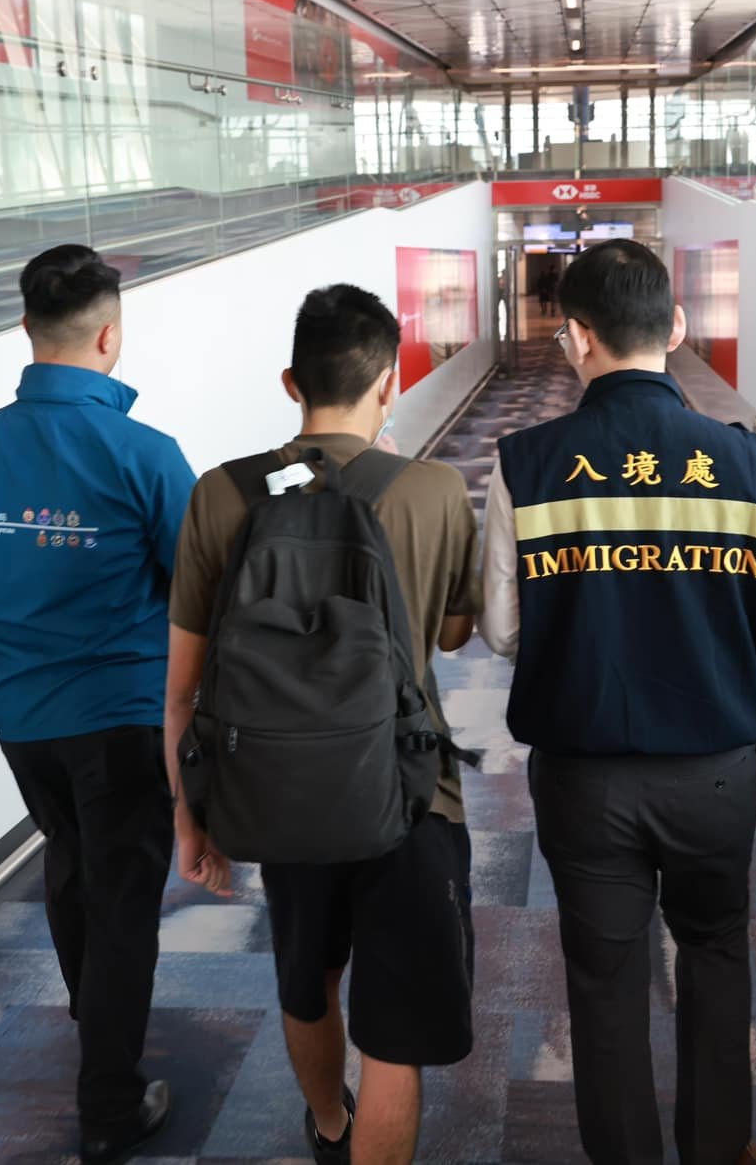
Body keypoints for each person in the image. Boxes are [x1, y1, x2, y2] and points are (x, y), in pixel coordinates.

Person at [480, 239, 756, 1165]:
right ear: (675, 327)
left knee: (605, 978)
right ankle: (714, 1150)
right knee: (716, 952)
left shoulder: (528, 462)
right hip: (713, 771)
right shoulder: (745, 464)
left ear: (572, 336)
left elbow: (505, 632)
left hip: (584, 775)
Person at [163, 284, 482, 1165]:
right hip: (411, 793)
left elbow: (183, 691)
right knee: (395, 1036)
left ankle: (330, 1128)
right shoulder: (435, 489)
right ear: (391, 380)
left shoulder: (221, 495)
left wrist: (193, 818)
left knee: (309, 983)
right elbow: (456, 632)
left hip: (274, 790)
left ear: (289, 381)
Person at [0, 245, 198, 1164]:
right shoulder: (145, 453)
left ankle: (95, 1016)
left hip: (26, 723)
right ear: (111, 335)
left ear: (27, 330)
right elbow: (202, 584)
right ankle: (109, 1100)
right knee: (124, 896)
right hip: (124, 714)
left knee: (72, 866)